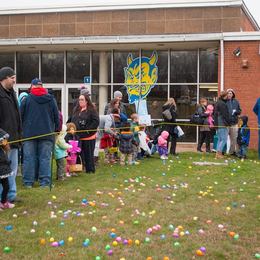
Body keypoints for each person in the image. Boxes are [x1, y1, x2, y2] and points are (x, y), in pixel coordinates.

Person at [20, 78, 60, 187]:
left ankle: (28, 182)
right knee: (45, 159)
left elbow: (20, 117)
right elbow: (57, 117)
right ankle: (45, 182)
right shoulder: (51, 99)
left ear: (32, 87)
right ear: (42, 87)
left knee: (29, 158)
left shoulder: (26, 100)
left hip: (28, 134)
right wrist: (57, 130)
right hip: (47, 133)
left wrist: (21, 131)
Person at [0, 67, 21, 203]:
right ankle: (2, 197)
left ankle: (11, 196)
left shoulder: (12, 93)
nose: (14, 80)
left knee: (12, 169)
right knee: (2, 171)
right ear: (5, 78)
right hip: (3, 142)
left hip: (15, 138)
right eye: (12, 78)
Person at [70, 93, 99, 173]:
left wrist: (88, 130)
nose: (80, 101)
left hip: (88, 137)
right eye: (79, 99)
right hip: (78, 136)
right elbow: (71, 119)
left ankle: (90, 170)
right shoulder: (76, 109)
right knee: (78, 153)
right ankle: (78, 169)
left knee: (88, 154)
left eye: (82, 99)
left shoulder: (91, 110)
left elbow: (96, 121)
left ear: (86, 101)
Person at [0, 129, 15, 209]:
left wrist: (4, 143)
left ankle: (3, 202)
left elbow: (6, 147)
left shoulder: (0, 133)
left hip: (2, 168)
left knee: (6, 186)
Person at [214, 91, 231, 159]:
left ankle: (218, 154)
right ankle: (218, 153)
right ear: (225, 96)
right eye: (227, 95)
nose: (228, 97)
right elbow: (225, 115)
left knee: (220, 139)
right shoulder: (222, 104)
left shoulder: (218, 102)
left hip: (218, 123)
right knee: (223, 139)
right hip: (222, 123)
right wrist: (229, 123)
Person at [226, 89, 241, 156]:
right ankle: (222, 152)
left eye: (231, 93)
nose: (229, 94)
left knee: (234, 138)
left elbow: (240, 110)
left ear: (233, 94)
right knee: (223, 138)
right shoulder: (224, 101)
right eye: (228, 93)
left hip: (234, 123)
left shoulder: (236, 101)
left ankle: (231, 152)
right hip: (226, 123)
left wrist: (236, 112)